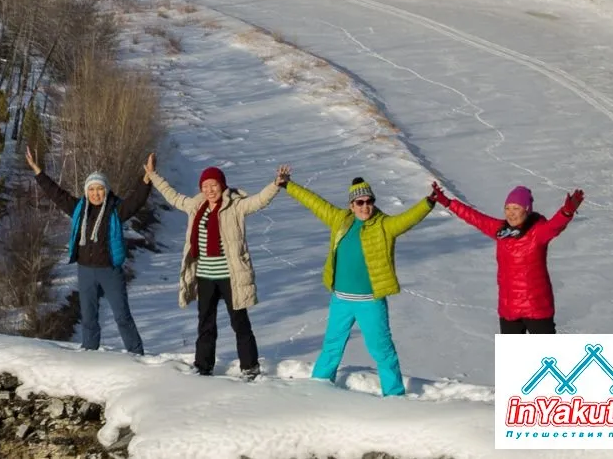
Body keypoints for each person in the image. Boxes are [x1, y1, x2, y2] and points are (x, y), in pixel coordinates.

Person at [281, 170, 436, 396]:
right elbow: (314, 202)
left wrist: (429, 202)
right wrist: (288, 185)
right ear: (351, 205)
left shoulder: (384, 225)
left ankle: (394, 394)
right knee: (331, 347)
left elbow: (407, 219)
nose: (365, 207)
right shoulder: (340, 220)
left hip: (370, 302)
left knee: (382, 350)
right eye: (360, 202)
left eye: (369, 202)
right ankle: (317, 388)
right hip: (341, 300)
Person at [145, 160, 288, 379]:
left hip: (231, 277)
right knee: (205, 324)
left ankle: (249, 367)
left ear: (222, 185)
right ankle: (203, 366)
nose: (210, 190)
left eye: (214, 185)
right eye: (205, 186)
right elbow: (173, 196)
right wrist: (153, 176)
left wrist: (276, 185)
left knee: (240, 322)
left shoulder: (236, 206)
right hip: (205, 277)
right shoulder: (196, 206)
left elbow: (258, 201)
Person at [26, 145, 153, 356]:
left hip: (110, 271)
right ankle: (89, 354)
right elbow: (56, 194)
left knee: (122, 316)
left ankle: (137, 354)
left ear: (106, 190)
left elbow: (135, 202)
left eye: (100, 189)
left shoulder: (115, 209)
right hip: (85, 270)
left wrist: (147, 178)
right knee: (88, 317)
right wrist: (37, 171)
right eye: (92, 189)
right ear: (87, 191)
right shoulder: (78, 208)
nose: (96, 193)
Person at [428, 181, 584, 334]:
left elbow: (555, 226)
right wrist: (448, 203)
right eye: (507, 208)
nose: (511, 213)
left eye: (516, 208)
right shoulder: (501, 231)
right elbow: (475, 217)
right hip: (509, 309)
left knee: (547, 358)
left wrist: (566, 212)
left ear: (527, 210)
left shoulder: (538, 232)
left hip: (537, 308)